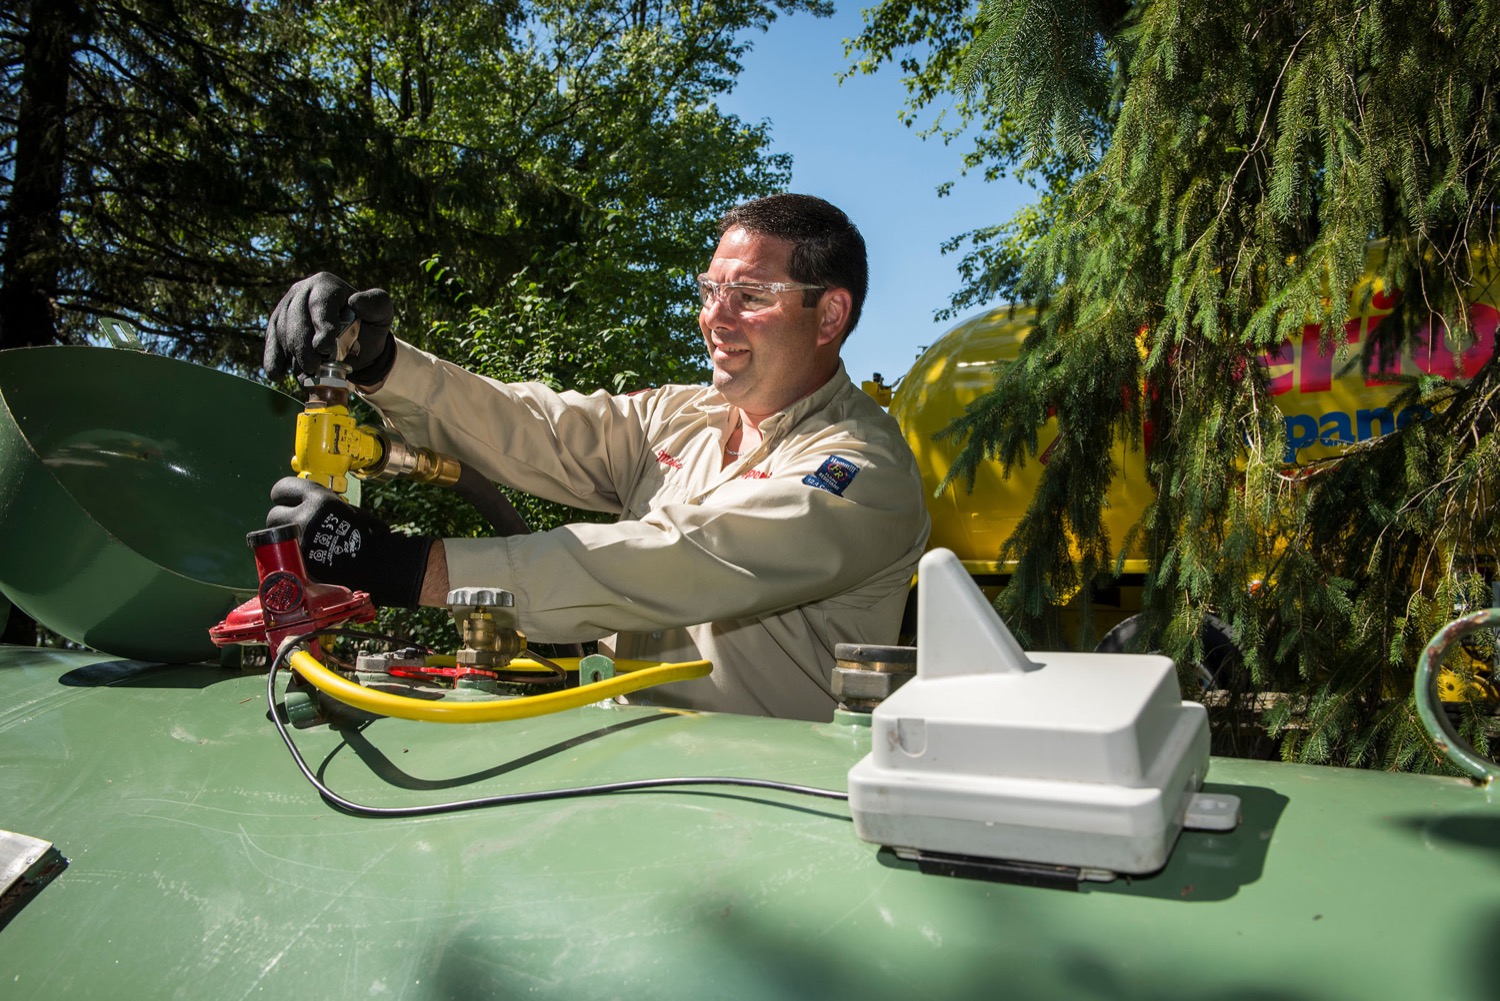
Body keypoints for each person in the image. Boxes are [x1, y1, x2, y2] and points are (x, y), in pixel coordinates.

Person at [263, 193, 930, 720]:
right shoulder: (678, 416)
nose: (715, 318)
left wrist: (405, 567)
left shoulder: (863, 468)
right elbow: (532, 428)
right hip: (618, 771)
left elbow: (677, 558)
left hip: (768, 803)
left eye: (750, 297)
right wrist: (381, 362)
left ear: (829, 315)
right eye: (709, 291)